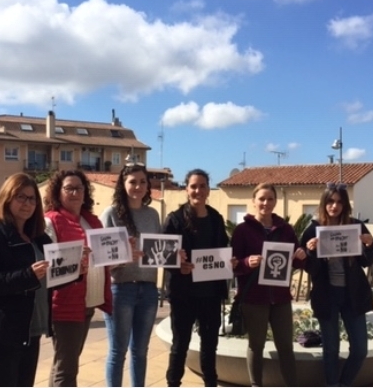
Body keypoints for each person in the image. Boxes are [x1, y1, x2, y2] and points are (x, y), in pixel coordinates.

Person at [0, 173, 54, 387]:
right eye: (21, 197)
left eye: (32, 198)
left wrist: (76, 269)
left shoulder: (40, 237)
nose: (27, 203)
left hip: (32, 328)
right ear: (7, 198)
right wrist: (27, 275)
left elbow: (50, 279)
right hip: (2, 331)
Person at [300, 183, 373, 387]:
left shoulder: (356, 226)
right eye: (331, 201)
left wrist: (370, 245)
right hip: (327, 296)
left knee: (361, 349)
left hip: (353, 295)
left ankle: (343, 383)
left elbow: (366, 262)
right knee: (331, 349)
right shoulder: (313, 229)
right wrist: (310, 252)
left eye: (339, 202)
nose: (334, 206)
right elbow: (310, 268)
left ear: (345, 205)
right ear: (324, 203)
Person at [231, 183, 307, 387]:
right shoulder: (242, 230)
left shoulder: (286, 229)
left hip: (281, 298)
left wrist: (301, 256)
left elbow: (296, 260)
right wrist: (247, 263)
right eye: (262, 199)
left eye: (270, 199)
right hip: (254, 299)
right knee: (256, 346)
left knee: (286, 347)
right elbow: (233, 265)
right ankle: (256, 385)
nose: (266, 203)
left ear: (275, 201)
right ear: (254, 201)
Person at [163, 168, 232, 387]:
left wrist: (230, 262)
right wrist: (177, 265)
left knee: (210, 345)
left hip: (210, 294)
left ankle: (210, 384)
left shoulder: (216, 218)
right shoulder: (174, 220)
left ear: (208, 189)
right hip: (183, 294)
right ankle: (173, 383)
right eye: (193, 186)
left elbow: (223, 250)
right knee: (180, 345)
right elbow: (162, 256)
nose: (198, 190)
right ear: (186, 189)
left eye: (202, 186)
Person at [44, 169, 112, 387]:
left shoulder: (92, 221)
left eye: (79, 188)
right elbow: (50, 263)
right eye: (68, 188)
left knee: (66, 362)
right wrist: (74, 259)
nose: (74, 193)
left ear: (85, 192)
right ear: (58, 192)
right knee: (67, 367)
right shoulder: (51, 221)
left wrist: (123, 253)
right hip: (65, 302)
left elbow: (102, 259)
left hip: (87, 301)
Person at [100, 163, 162, 387]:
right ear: (123, 184)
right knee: (118, 351)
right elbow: (101, 259)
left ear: (148, 186)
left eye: (142, 182)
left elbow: (161, 250)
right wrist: (124, 257)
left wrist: (176, 254)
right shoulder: (111, 213)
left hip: (148, 289)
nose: (138, 186)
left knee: (141, 351)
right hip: (120, 289)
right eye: (132, 181)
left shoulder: (153, 214)